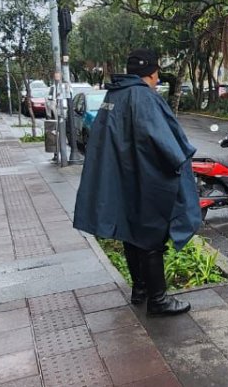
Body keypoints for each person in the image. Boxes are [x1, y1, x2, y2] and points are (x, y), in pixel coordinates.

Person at [72, 49, 200, 317]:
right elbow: (166, 143)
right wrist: (179, 162)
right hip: (145, 179)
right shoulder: (144, 97)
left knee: (131, 234)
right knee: (151, 236)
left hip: (122, 178)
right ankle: (158, 300)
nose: (157, 79)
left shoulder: (113, 95)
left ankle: (140, 289)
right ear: (152, 73)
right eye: (157, 74)